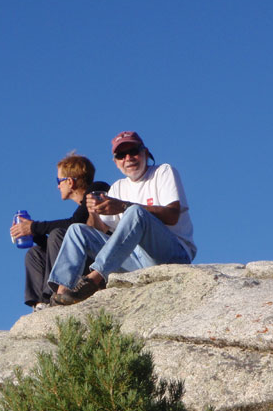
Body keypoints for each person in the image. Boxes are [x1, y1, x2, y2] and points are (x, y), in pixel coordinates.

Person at [48, 131, 195, 305]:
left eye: (133, 151)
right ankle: (61, 294)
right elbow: (104, 231)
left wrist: (124, 206)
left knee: (135, 212)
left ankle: (92, 281)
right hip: (136, 260)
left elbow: (172, 215)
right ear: (116, 162)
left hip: (172, 256)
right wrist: (94, 211)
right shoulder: (118, 187)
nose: (128, 158)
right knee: (76, 230)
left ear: (145, 153)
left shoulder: (162, 172)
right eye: (121, 155)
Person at [10, 153, 110, 310]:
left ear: (70, 182)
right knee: (35, 253)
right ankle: (40, 304)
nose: (58, 186)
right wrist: (33, 234)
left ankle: (55, 295)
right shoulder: (82, 206)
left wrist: (33, 227)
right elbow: (56, 243)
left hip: (101, 264)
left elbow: (74, 223)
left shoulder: (97, 190)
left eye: (59, 181)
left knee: (58, 234)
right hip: (82, 260)